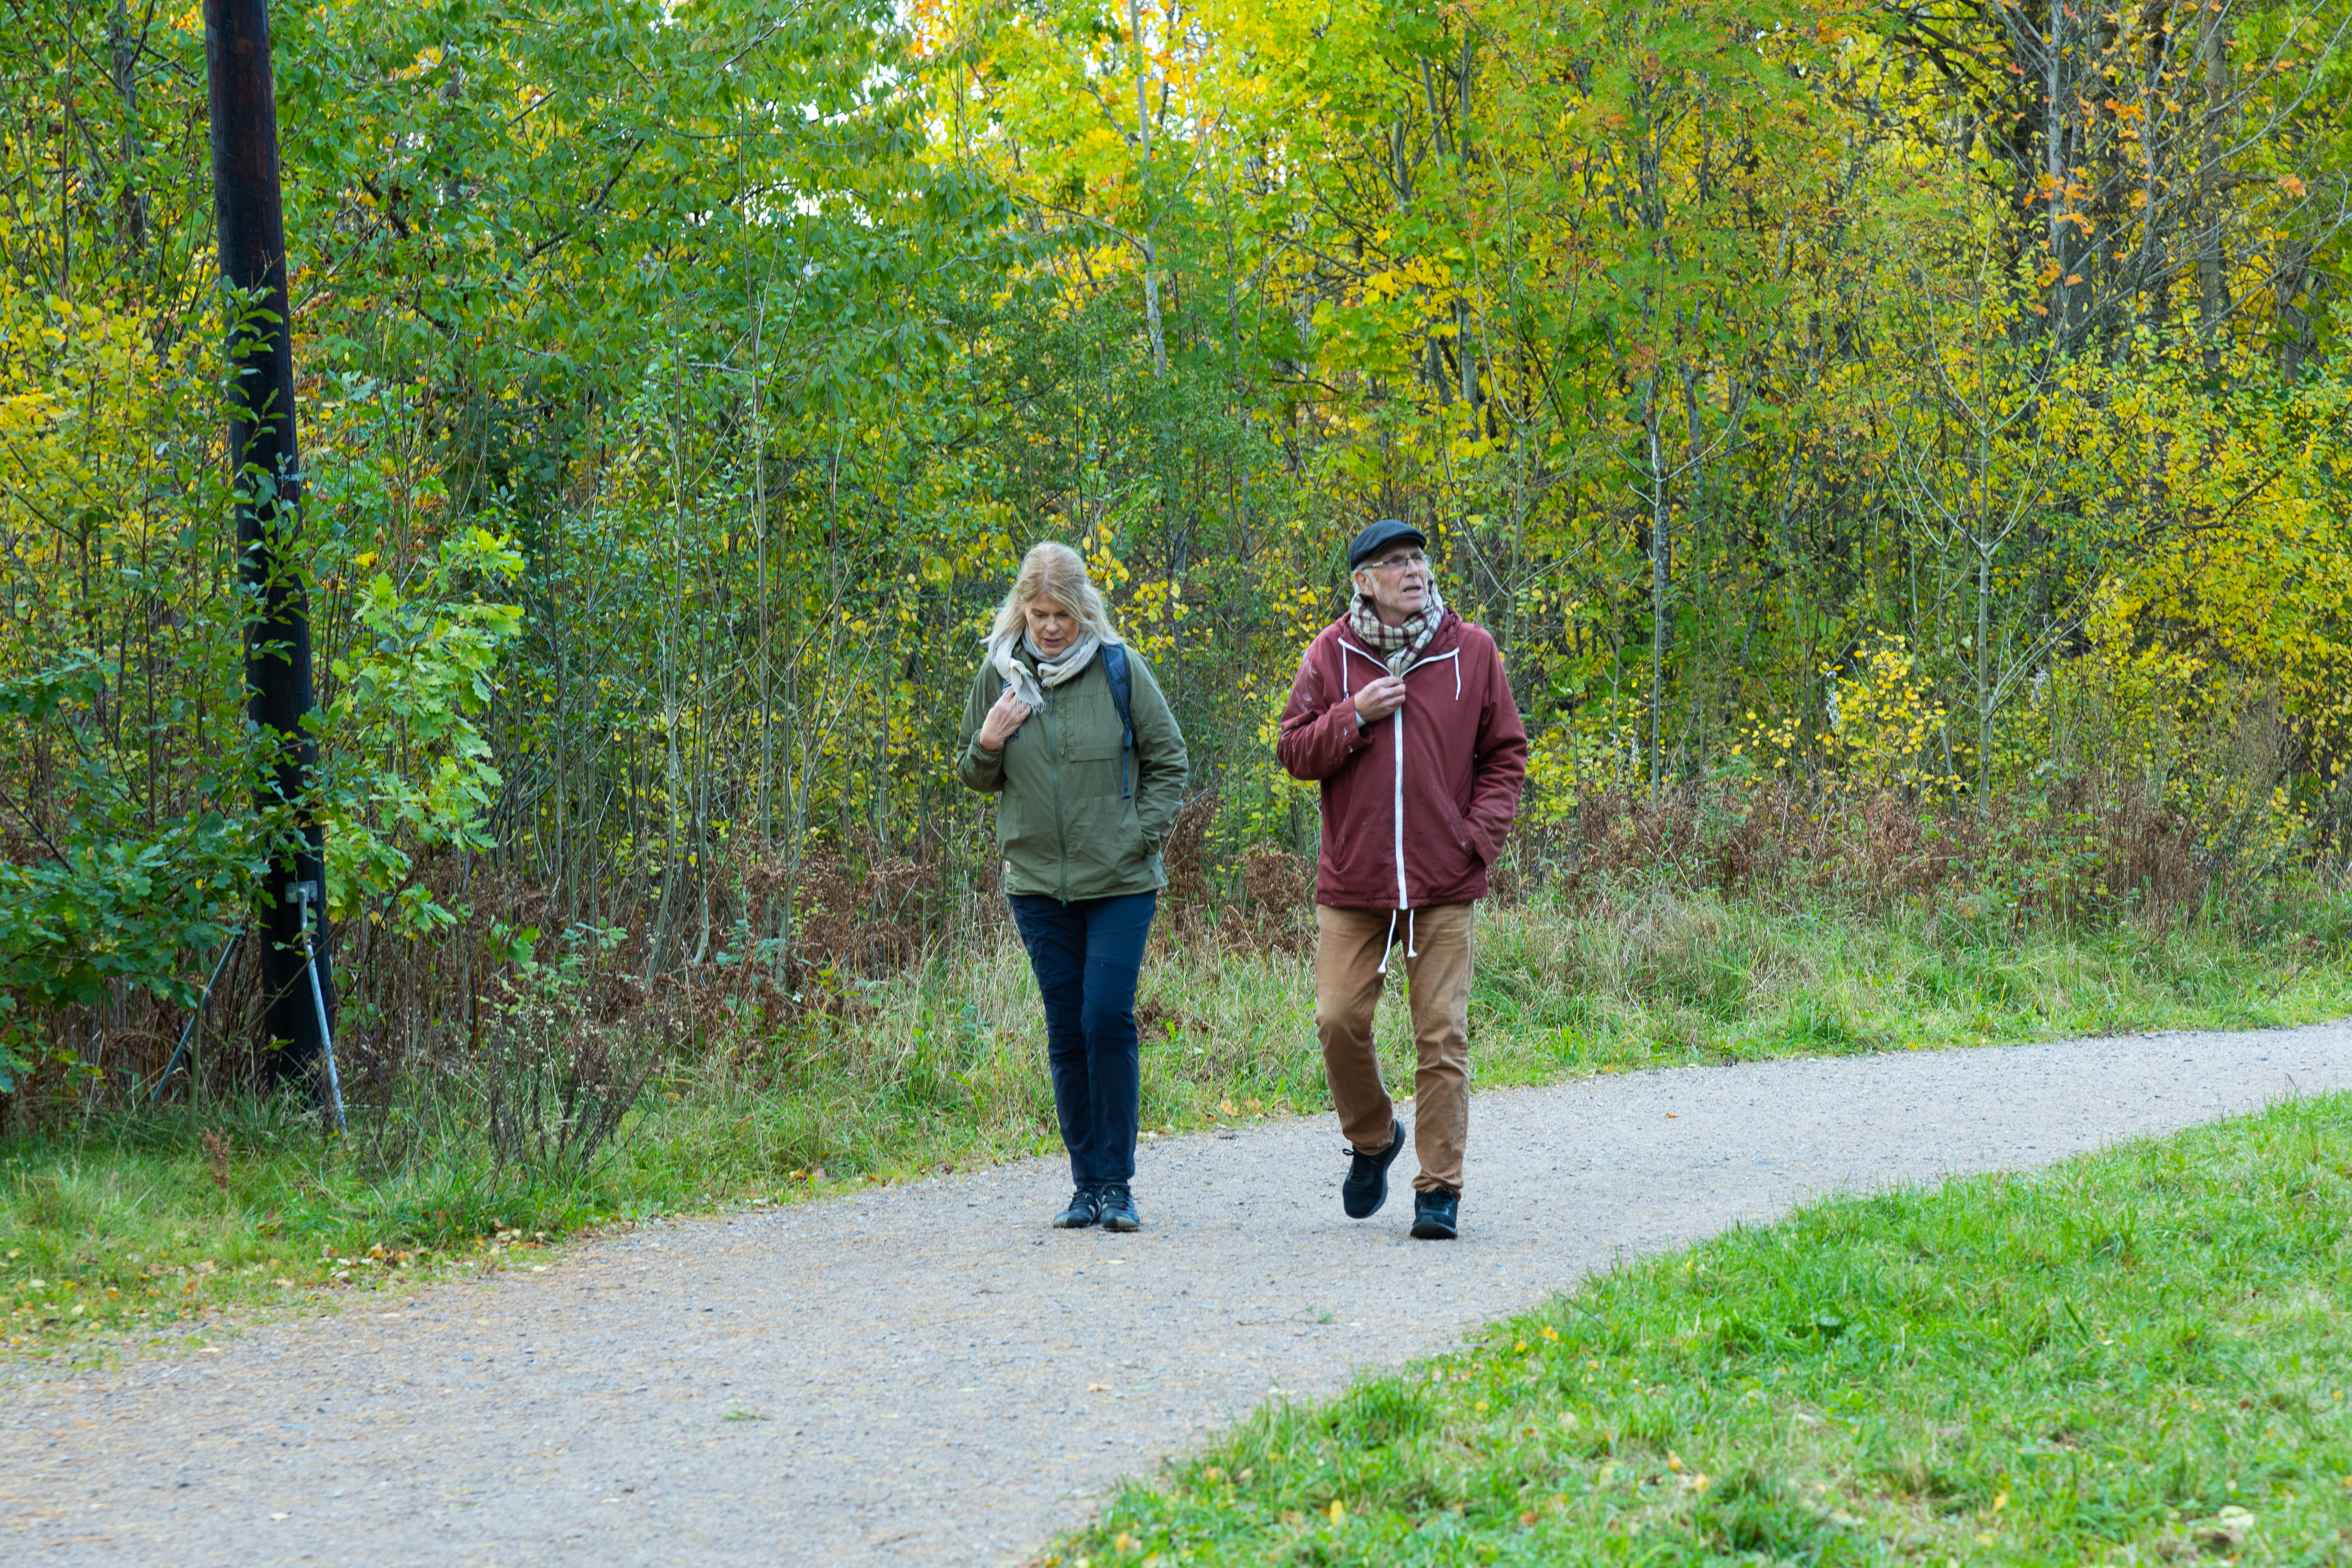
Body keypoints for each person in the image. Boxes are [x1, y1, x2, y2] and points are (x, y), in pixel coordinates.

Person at [1276, 519, 1527, 1240]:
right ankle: (1374, 1136)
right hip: (1355, 884)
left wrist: (1476, 840)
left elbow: (1506, 755)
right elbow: (1294, 750)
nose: (1413, 571)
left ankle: (1439, 1189)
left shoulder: (1471, 649)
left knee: (1441, 1036)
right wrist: (1352, 715)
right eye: (1395, 563)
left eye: (1418, 559)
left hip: (1443, 881)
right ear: (1363, 581)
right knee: (1338, 1022)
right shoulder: (1332, 654)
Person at [958, 541, 1188, 1232]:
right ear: (1020, 613)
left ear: (1084, 610)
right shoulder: (999, 678)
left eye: (1062, 614)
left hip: (1119, 882)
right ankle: (1084, 1186)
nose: (1051, 627)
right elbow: (975, 774)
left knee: (1105, 1017)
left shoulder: (1120, 669)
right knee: (1065, 1029)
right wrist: (991, 740)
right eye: (1038, 615)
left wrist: (1137, 836)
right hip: (1035, 886)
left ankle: (1117, 1185)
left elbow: (1169, 760)